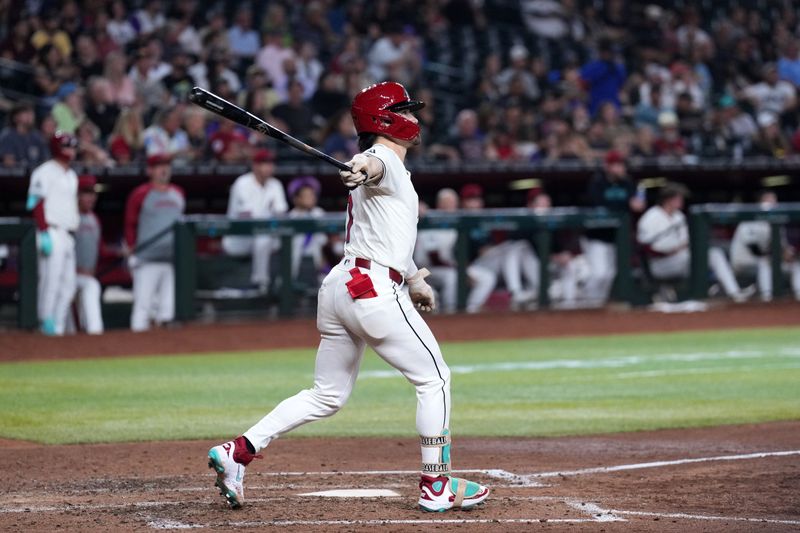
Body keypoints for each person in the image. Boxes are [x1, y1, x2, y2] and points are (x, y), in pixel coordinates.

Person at [208, 81, 489, 512]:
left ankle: (239, 452)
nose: (415, 119)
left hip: (342, 287)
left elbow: (384, 229)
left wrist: (414, 278)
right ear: (385, 119)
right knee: (435, 379)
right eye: (406, 111)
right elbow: (371, 163)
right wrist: (362, 166)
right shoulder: (382, 159)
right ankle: (436, 486)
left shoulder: (391, 167)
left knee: (327, 394)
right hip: (371, 290)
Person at [637, 183, 754, 303]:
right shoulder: (651, 217)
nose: (681, 201)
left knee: (713, 254)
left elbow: (686, 241)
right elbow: (647, 246)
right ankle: (704, 291)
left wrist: (679, 247)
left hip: (680, 259)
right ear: (668, 199)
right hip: (660, 264)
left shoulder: (679, 216)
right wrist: (674, 248)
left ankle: (733, 292)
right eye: (678, 198)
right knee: (696, 256)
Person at [124, 154, 185, 332]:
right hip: (146, 258)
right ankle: (137, 349)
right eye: (159, 166)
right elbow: (130, 224)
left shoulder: (178, 193)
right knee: (143, 307)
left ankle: (164, 352)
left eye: (167, 165)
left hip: (171, 259)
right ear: (149, 170)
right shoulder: (140, 194)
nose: (164, 169)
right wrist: (131, 250)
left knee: (167, 309)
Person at [27, 132, 80, 335]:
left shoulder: (72, 175)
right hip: (50, 230)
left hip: (67, 234)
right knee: (51, 279)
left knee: (68, 284)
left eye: (73, 146)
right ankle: (44, 321)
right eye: (67, 146)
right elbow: (36, 203)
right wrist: (43, 231)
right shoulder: (44, 171)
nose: (71, 150)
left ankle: (57, 326)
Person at [582, 150, 645, 305]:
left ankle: (597, 306)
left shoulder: (628, 184)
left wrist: (637, 204)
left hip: (617, 238)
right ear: (608, 166)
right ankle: (584, 304)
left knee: (610, 275)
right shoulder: (597, 182)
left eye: (621, 165)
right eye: (616, 165)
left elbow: (637, 203)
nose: (620, 168)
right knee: (599, 274)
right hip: (597, 237)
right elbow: (599, 204)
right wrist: (626, 204)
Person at [221, 149, 288, 291]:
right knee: (263, 237)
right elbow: (249, 217)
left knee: (292, 238)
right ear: (255, 166)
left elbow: (281, 213)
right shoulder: (242, 183)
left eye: (270, 163)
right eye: (264, 163)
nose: (269, 167)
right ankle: (260, 283)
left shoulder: (275, 184)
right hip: (238, 238)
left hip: (265, 235)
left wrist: (270, 214)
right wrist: (270, 212)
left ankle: (286, 282)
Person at [730, 191, 800, 301]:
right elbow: (755, 249)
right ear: (760, 203)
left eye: (774, 200)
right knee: (764, 261)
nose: (772, 203)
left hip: (766, 261)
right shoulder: (749, 219)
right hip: (743, 261)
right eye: (768, 200)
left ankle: (798, 293)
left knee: (796, 264)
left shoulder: (777, 223)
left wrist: (789, 254)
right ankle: (766, 296)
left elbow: (783, 247)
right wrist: (778, 255)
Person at [73, 175, 109, 334]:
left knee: (92, 287)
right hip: (68, 275)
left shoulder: (95, 219)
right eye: (86, 193)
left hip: (88, 275)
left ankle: (95, 339)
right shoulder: (69, 217)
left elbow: (101, 250)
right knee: (67, 322)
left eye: (93, 193)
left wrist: (120, 251)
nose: (91, 197)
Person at [286, 175, 328, 282]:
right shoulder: (292, 216)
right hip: (296, 255)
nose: (311, 198)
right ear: (296, 199)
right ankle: (288, 281)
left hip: (316, 253)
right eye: (306, 196)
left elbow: (324, 240)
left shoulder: (319, 212)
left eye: (312, 195)